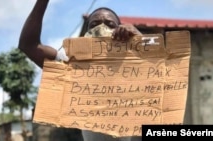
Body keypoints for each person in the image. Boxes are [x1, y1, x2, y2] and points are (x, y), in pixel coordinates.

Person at [18, 0, 142, 141]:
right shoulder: (75, 64)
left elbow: (166, 72)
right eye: (94, 25)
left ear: (120, 29)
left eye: (110, 24)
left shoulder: (135, 58)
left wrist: (141, 41)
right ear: (86, 35)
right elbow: (28, 45)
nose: (102, 28)